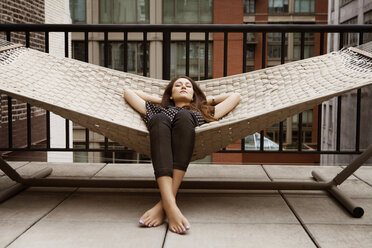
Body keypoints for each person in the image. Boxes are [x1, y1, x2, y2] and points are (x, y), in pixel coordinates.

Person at [123, 75, 240, 234]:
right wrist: (163, 101)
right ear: (171, 94)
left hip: (185, 138)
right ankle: (170, 206)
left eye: (188, 86)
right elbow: (128, 93)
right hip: (161, 137)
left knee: (184, 116)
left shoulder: (203, 111)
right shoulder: (157, 110)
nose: (183, 87)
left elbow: (235, 96)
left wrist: (203, 100)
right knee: (159, 119)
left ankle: (164, 205)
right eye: (178, 85)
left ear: (194, 94)